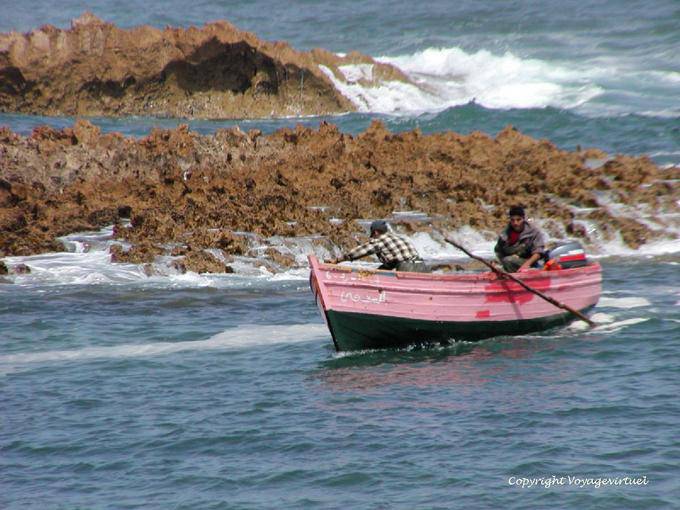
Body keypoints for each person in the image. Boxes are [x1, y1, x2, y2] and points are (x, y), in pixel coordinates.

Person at [328, 220, 428, 272]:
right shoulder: (400, 238)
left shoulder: (379, 241)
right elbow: (392, 263)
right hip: (422, 266)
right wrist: (379, 271)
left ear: (375, 232)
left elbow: (357, 253)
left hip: (407, 267)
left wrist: (336, 261)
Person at [494, 206, 545, 272]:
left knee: (509, 260)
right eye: (512, 220)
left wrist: (525, 266)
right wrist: (495, 263)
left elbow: (538, 253)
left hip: (529, 263)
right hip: (508, 262)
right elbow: (499, 251)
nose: (515, 223)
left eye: (518, 220)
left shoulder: (533, 232)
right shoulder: (504, 234)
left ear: (523, 219)